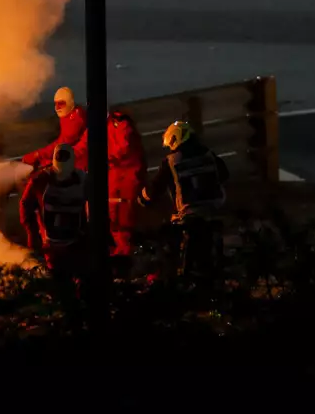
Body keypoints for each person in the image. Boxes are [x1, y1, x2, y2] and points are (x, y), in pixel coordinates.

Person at [138, 120, 229, 283]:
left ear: (175, 139)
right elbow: (224, 174)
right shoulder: (209, 154)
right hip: (215, 210)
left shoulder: (172, 161)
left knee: (173, 249)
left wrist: (141, 199)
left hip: (189, 214)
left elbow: (155, 188)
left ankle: (179, 279)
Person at [19, 144, 89, 308]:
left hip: (75, 242)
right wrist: (32, 234)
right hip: (52, 245)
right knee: (60, 284)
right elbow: (25, 205)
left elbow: (96, 205)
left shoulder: (83, 180)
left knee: (82, 282)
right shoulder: (40, 181)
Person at [75, 108, 148, 263]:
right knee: (111, 212)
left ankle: (125, 255)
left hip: (129, 174)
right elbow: (82, 147)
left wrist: (103, 159)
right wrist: (64, 155)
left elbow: (125, 147)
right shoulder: (96, 127)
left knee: (123, 214)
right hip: (115, 173)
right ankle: (119, 252)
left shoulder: (121, 123)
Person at [22, 87, 88, 172]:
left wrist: (38, 154)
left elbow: (62, 145)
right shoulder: (70, 114)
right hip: (74, 161)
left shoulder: (75, 119)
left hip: (78, 166)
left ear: (69, 103)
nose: (57, 107)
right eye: (55, 104)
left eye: (61, 103)